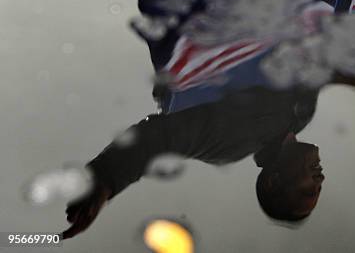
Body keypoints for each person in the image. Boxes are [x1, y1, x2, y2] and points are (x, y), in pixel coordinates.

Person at [62, 86, 324, 239]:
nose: (320, 180)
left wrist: (104, 182)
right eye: (318, 189)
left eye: (309, 189)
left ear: (273, 181)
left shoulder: (233, 142)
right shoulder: (302, 116)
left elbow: (159, 139)